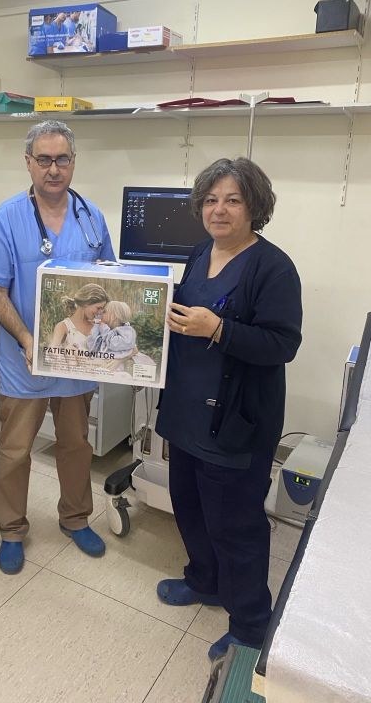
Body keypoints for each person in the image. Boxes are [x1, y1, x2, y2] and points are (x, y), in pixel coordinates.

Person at [154, 157, 302, 661]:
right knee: (190, 506)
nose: (219, 210)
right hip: (186, 412)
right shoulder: (200, 252)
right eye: (211, 200)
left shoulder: (273, 267)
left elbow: (282, 344)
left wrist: (218, 329)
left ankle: (250, 624)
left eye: (233, 200)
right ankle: (205, 580)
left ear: (254, 207)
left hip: (235, 423)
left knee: (235, 526)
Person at [0, 120, 115, 574]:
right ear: (28, 162)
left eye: (62, 159)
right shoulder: (5, 218)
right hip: (25, 359)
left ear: (73, 161)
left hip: (75, 361)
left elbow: (110, 281)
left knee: (76, 445)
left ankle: (75, 518)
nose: (54, 169)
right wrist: (27, 339)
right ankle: (12, 529)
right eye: (44, 159)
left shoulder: (92, 218)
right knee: (14, 450)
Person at [49, 283, 109, 366]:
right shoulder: (64, 326)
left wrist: (118, 360)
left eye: (102, 309)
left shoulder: (98, 327)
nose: (100, 312)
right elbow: (52, 349)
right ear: (86, 303)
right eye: (98, 308)